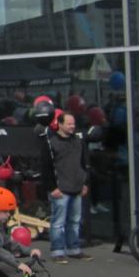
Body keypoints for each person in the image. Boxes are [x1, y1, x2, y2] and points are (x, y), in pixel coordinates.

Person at [40, 113, 92, 264]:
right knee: (58, 222)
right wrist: (52, 187)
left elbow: (84, 163)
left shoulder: (78, 141)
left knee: (74, 221)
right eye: (69, 124)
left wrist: (85, 183)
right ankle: (57, 251)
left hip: (77, 188)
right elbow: (45, 167)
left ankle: (73, 249)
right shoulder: (51, 142)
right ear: (60, 124)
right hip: (60, 189)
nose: (72, 126)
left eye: (73, 123)